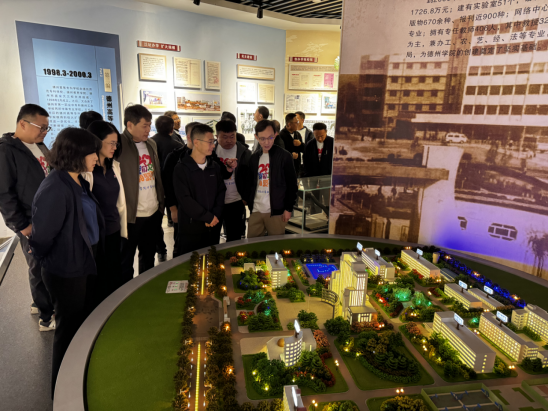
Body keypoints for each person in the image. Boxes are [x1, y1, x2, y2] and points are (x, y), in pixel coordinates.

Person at [29, 128, 104, 397]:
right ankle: (61, 393)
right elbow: (42, 238)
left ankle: (78, 380)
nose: (97, 158)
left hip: (81, 263)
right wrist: (53, 259)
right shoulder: (55, 187)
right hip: (65, 270)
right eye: (92, 153)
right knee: (68, 330)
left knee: (80, 325)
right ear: (75, 154)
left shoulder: (76, 180)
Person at [0, 104, 55, 331]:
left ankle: (39, 303)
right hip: (30, 222)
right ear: (22, 123)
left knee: (47, 265)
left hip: (48, 217)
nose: (44, 132)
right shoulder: (6, 150)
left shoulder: (39, 146)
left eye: (47, 128)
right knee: (37, 267)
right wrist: (22, 226)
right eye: (41, 127)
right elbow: (4, 194)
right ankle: (46, 317)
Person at [118, 105, 165, 282]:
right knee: (125, 260)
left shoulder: (151, 144)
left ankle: (146, 286)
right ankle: (126, 293)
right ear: (130, 125)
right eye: (144, 126)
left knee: (148, 255)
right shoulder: (119, 145)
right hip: (131, 215)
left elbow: (156, 176)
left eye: (150, 125)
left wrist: (160, 205)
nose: (148, 130)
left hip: (152, 212)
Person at [83, 121, 127, 304]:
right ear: (97, 142)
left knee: (114, 273)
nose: (114, 148)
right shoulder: (86, 171)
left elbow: (119, 201)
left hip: (114, 229)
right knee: (100, 278)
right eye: (111, 143)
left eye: (116, 143)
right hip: (96, 235)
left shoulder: (114, 166)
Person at [173, 124, 234, 254]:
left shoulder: (214, 166)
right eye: (210, 142)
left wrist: (215, 215)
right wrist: (207, 217)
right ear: (196, 142)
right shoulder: (181, 168)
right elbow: (185, 199)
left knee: (212, 259)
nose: (213, 145)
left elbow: (221, 191)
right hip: (191, 228)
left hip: (213, 225)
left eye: (213, 141)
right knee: (191, 261)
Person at [247, 120, 297, 238]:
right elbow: (250, 183)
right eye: (262, 139)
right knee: (252, 243)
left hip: (276, 211)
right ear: (256, 137)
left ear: (275, 135)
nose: (266, 142)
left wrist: (288, 208)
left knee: (276, 245)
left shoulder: (285, 156)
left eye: (270, 137)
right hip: (256, 209)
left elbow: (292, 185)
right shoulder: (254, 158)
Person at [215, 120, 251, 242]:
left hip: (236, 201)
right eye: (225, 137)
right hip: (215, 202)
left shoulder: (245, 153)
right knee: (212, 237)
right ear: (217, 136)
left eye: (232, 136)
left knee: (234, 237)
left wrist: (245, 197)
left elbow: (249, 177)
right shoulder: (211, 151)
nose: (229, 140)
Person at [153, 115, 184, 232]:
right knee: (177, 221)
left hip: (153, 186)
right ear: (172, 128)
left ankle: (159, 241)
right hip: (172, 186)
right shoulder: (178, 146)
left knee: (155, 221)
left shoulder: (149, 143)